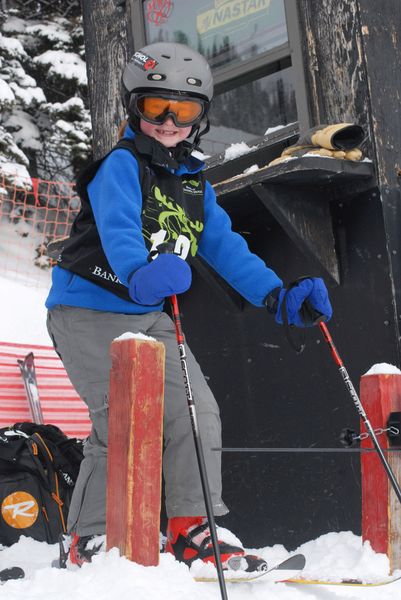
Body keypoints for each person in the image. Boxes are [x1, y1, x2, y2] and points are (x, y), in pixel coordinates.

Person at [46, 42, 332, 571]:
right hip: (85, 309)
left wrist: (276, 296)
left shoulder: (195, 184)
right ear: (136, 107)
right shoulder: (120, 166)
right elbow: (118, 229)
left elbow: (226, 248)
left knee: (197, 413)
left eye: (186, 110)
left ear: (202, 117)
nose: (170, 121)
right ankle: (90, 538)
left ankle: (191, 527)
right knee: (122, 422)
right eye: (158, 108)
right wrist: (139, 273)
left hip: (147, 314)